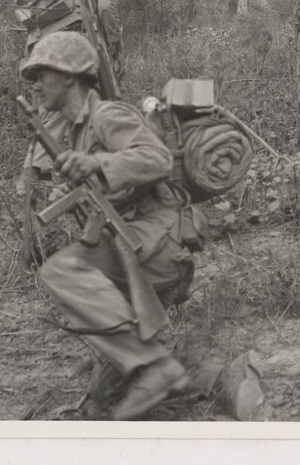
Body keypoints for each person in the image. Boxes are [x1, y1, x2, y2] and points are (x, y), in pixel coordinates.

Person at [20, 31, 193, 420]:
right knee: (106, 397)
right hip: (129, 249)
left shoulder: (108, 115)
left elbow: (157, 159)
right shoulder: (74, 131)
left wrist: (98, 164)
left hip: (156, 246)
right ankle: (181, 374)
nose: (36, 85)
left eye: (43, 74)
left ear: (69, 76)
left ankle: (156, 367)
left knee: (61, 270)